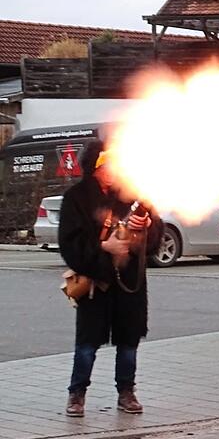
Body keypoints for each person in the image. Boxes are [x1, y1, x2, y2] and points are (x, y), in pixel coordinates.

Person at [59, 141, 164, 417]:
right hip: (96, 282)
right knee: (87, 344)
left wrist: (148, 227)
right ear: (97, 167)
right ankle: (77, 394)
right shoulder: (76, 198)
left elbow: (154, 240)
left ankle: (126, 392)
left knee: (129, 341)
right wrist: (102, 248)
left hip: (130, 282)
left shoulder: (132, 194)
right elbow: (70, 245)